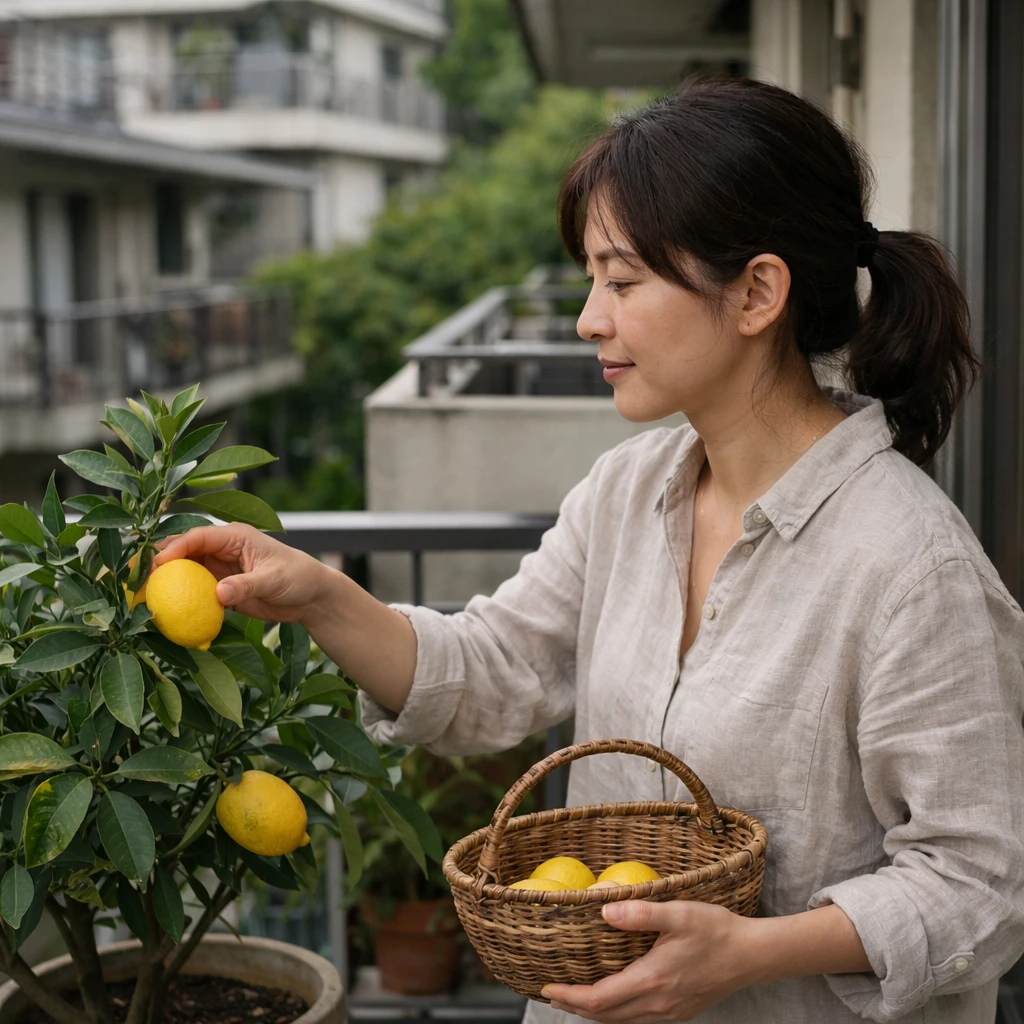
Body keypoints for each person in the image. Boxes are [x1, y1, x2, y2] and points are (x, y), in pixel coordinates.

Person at [155, 78, 1024, 1023]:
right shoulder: (628, 490)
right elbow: (497, 669)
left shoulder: (910, 566)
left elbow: (981, 880)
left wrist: (747, 954)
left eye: (622, 280)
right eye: (591, 280)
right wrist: (320, 596)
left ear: (757, 293)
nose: (588, 318)